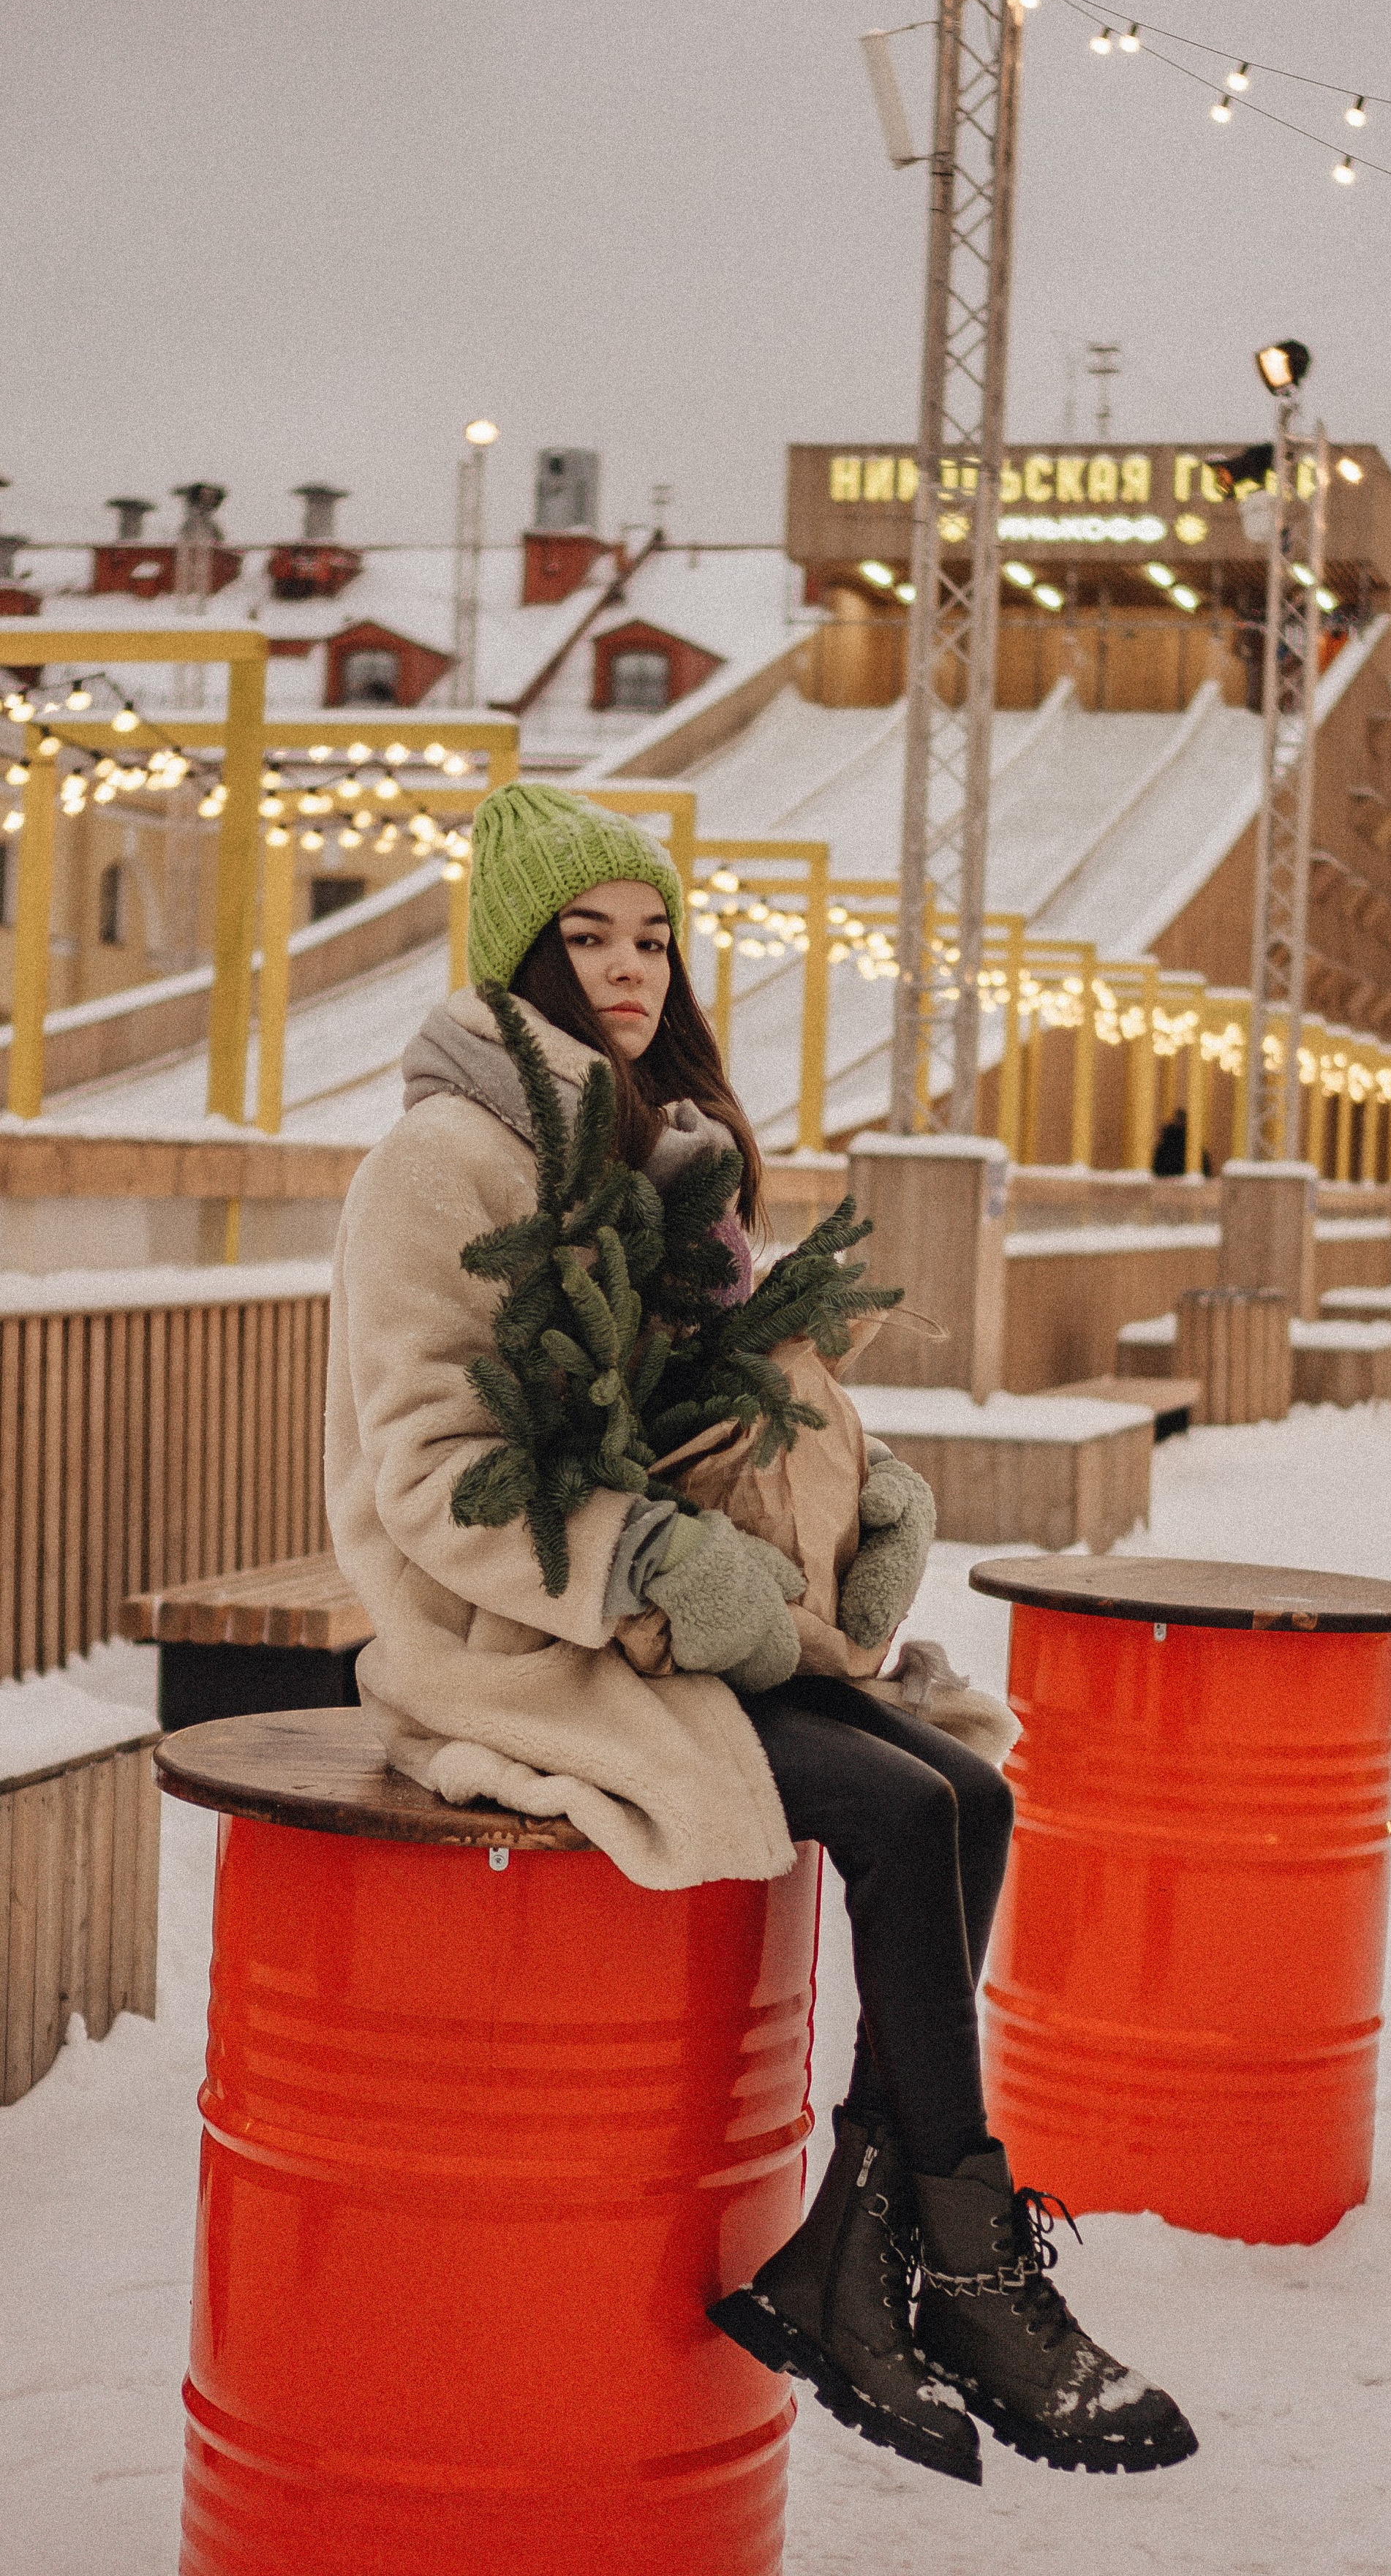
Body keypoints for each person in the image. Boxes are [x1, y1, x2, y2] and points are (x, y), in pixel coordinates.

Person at [325, 782, 1196, 2490]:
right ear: (516, 958)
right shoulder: (445, 1161)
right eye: (586, 939)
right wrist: (642, 1561)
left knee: (974, 1792)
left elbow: (739, 1394)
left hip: (690, 1616)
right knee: (900, 1810)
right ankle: (959, 2275)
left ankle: (849, 2269)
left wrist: (863, 1493)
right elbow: (428, 1473)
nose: (629, 969)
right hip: (536, 1639)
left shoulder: (669, 1153)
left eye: (651, 937)